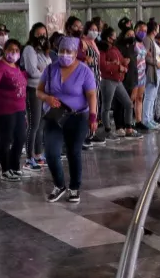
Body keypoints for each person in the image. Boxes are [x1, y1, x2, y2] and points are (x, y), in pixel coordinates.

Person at [38, 36, 98, 204]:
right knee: (51, 153)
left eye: (68, 52)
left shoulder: (85, 70)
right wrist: (47, 98)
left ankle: (74, 187)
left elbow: (91, 95)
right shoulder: (50, 69)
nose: (65, 55)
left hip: (77, 116)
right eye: (62, 51)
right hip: (54, 116)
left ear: (75, 52)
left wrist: (93, 116)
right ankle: (59, 185)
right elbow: (38, 91)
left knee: (73, 152)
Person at [0, 39, 28, 181]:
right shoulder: (0, 65)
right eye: (10, 50)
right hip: (4, 108)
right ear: (5, 50)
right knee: (6, 139)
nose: (13, 53)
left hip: (19, 107)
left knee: (20, 138)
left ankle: (15, 166)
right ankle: (6, 169)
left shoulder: (15, 65)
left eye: (16, 50)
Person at [22, 23, 51, 170]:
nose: (42, 37)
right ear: (33, 34)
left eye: (44, 34)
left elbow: (49, 69)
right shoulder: (29, 49)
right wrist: (45, 73)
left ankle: (39, 154)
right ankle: (29, 158)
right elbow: (32, 71)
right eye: (39, 34)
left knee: (41, 124)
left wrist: (44, 71)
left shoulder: (42, 51)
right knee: (33, 124)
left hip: (43, 90)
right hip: (32, 90)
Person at [97, 27, 132, 142]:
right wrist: (117, 66)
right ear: (108, 38)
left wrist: (124, 65)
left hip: (118, 80)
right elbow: (103, 66)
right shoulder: (103, 49)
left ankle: (129, 128)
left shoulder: (115, 48)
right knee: (106, 107)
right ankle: (107, 130)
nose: (116, 38)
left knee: (128, 103)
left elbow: (121, 61)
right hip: (108, 81)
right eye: (114, 36)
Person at [142, 21, 160, 130]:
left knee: (153, 96)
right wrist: (156, 62)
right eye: (157, 28)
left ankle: (150, 118)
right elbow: (145, 56)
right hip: (151, 70)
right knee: (149, 96)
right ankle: (146, 119)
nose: (158, 30)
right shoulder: (147, 40)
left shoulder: (153, 40)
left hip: (157, 70)